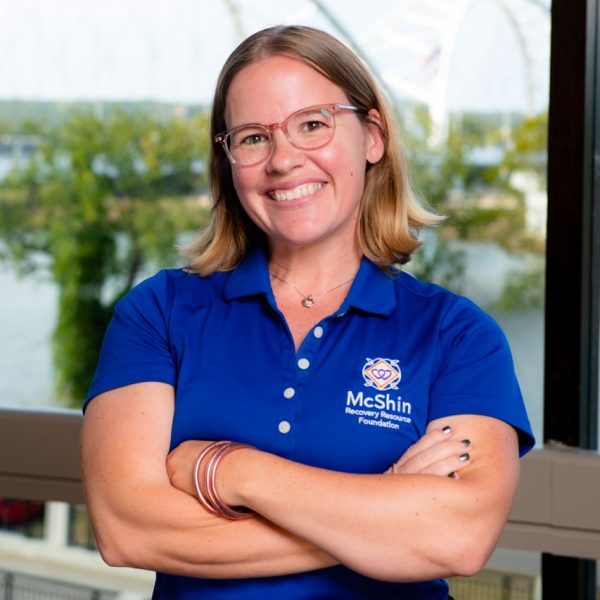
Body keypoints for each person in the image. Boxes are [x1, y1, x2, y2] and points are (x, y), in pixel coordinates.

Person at [80, 24, 534, 600]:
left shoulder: (458, 335)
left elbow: (458, 537)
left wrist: (230, 471)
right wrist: (385, 508)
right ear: (228, 161)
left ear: (372, 137)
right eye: (253, 138)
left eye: (313, 125)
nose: (284, 160)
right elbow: (127, 530)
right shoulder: (159, 313)